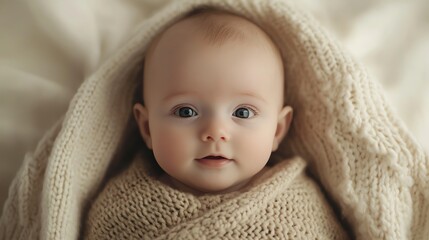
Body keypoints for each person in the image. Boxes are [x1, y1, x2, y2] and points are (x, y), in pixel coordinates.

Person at [83, 9, 350, 239]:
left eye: (243, 113)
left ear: (277, 130)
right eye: (186, 111)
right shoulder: (122, 212)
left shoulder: (300, 210)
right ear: (147, 128)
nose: (215, 132)